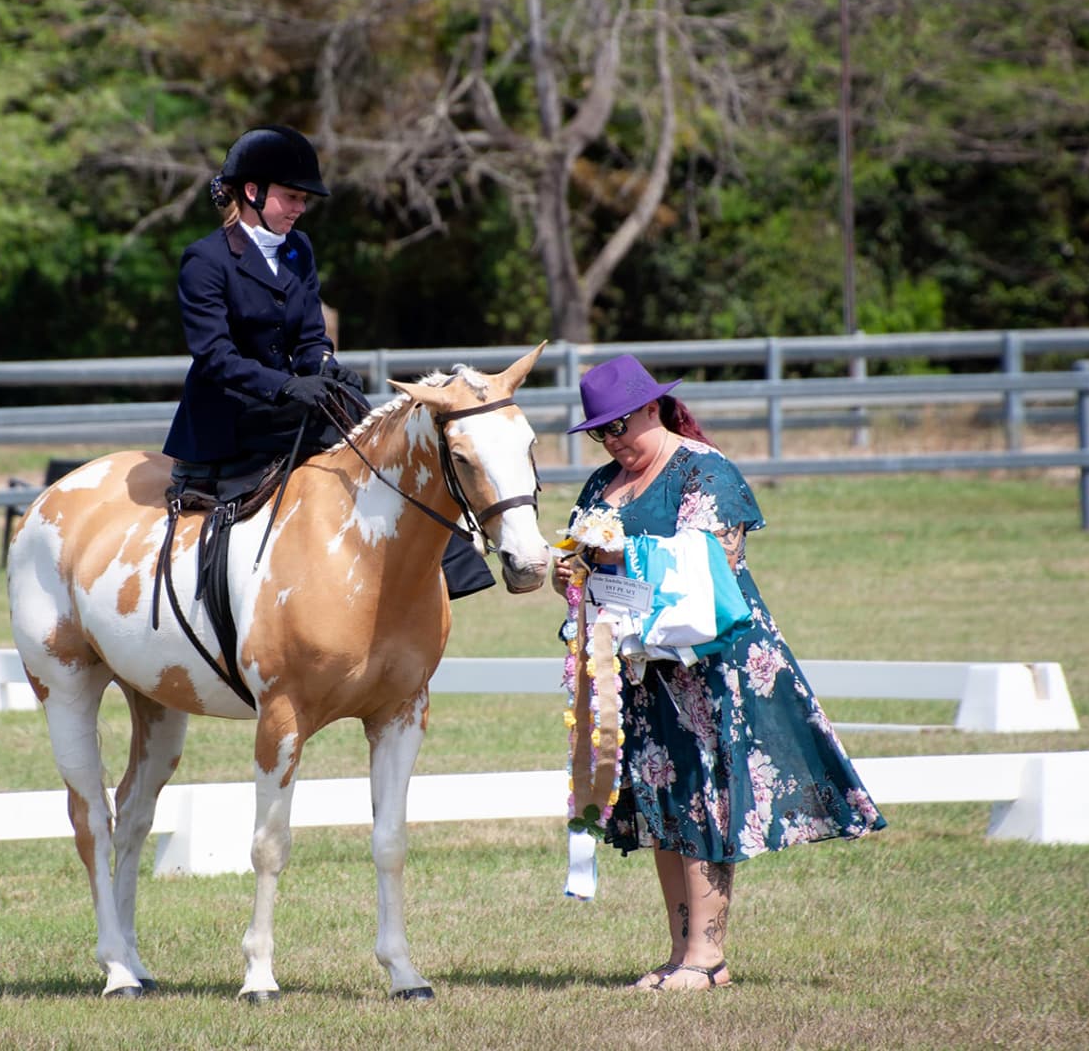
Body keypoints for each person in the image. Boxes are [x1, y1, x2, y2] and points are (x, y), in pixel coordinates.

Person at [551, 353, 886, 991]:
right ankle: (681, 952)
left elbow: (716, 562)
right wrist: (571, 573)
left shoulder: (704, 470)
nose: (614, 441)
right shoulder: (600, 486)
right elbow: (579, 569)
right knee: (662, 801)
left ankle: (708, 957)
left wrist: (621, 554)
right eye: (601, 432)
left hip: (707, 666)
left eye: (621, 425)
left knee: (704, 800)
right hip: (637, 670)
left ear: (652, 408)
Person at [162, 123, 493, 599]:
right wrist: (286, 387)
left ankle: (451, 569)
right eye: (292, 197)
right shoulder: (206, 260)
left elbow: (311, 333)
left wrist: (321, 364)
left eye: (304, 200)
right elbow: (214, 356)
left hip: (292, 400)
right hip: (232, 412)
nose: (300, 209)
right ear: (252, 191)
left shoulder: (299, 248)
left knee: (380, 432)